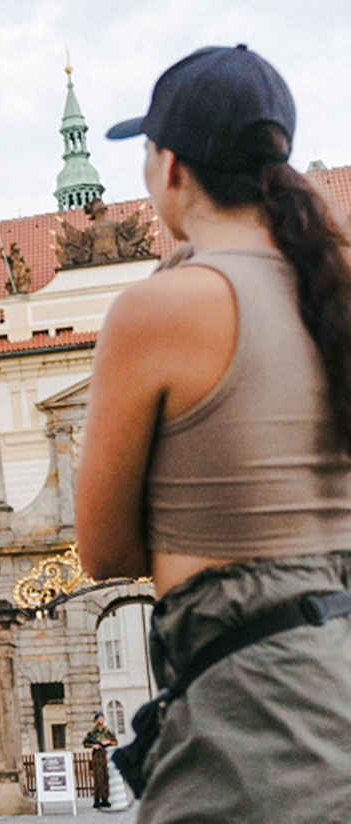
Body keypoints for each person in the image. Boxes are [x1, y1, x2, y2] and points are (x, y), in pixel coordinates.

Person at [77, 44, 351, 821]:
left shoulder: (162, 311)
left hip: (257, 720)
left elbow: (105, 549)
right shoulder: (333, 288)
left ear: (169, 168)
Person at [81, 712, 116, 809]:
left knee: (105, 777)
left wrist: (108, 742)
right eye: (99, 718)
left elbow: (115, 742)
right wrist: (93, 745)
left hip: (106, 754)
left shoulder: (108, 731)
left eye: (102, 718)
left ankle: (105, 798)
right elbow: (85, 743)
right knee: (98, 778)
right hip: (97, 756)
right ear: (96, 720)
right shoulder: (92, 733)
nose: (101, 720)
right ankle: (97, 799)